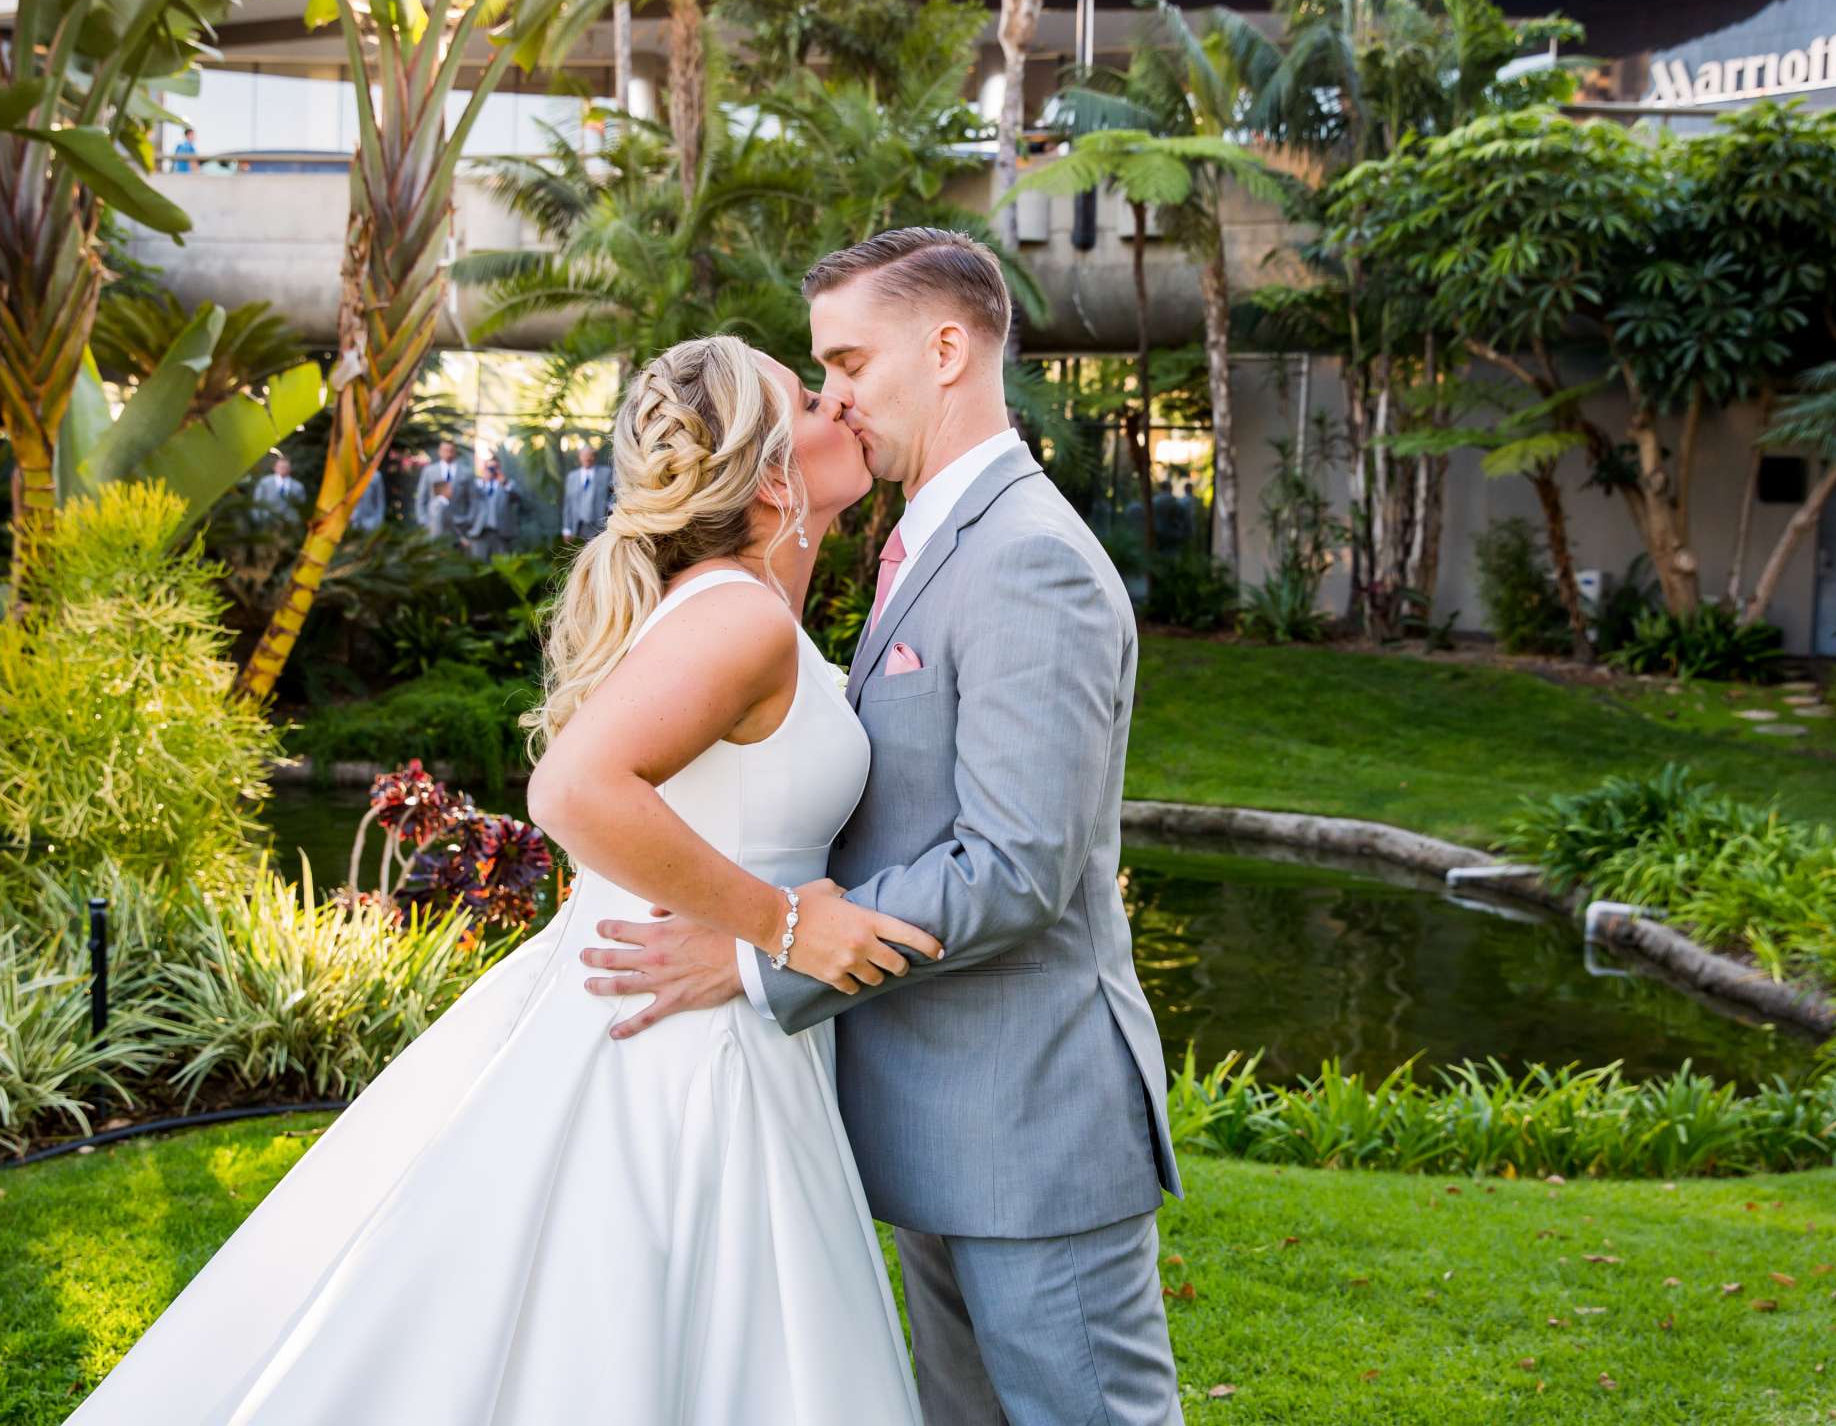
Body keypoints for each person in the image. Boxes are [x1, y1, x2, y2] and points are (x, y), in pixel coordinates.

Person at [63, 334, 939, 1424]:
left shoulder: (747, 611)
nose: (840, 407)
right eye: (810, 399)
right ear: (770, 474)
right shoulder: (739, 616)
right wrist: (782, 923)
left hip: (709, 1017)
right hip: (676, 1049)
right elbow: (572, 790)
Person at [586, 229, 1182, 1424]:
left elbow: (1015, 868)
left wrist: (764, 950)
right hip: (942, 1115)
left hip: (1031, 1126)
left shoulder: (1028, 558)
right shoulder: (924, 546)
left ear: (948, 346)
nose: (836, 398)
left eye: (847, 363)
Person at [461, 455, 525, 560]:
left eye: (495, 468)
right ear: (484, 469)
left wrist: (505, 483)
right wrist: (483, 481)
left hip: (501, 533)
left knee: (502, 567)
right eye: (489, 468)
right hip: (479, 532)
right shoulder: (476, 484)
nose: (492, 471)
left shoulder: (507, 484)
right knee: (479, 565)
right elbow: (466, 501)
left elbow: (518, 498)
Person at [560, 442, 612, 541]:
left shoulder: (606, 473)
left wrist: (609, 506)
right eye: (584, 456)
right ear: (579, 457)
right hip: (580, 525)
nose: (587, 459)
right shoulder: (572, 477)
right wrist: (567, 528)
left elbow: (615, 494)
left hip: (601, 524)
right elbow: (568, 503)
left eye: (590, 456)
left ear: (595, 457)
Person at [415, 439, 466, 534]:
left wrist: (467, 519)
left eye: (451, 451)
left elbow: (473, 499)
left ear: (455, 452)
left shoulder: (465, 473)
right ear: (439, 452)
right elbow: (421, 497)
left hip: (458, 526)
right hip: (434, 524)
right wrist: (423, 520)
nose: (448, 454)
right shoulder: (429, 471)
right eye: (445, 450)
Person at [250, 455, 305, 521]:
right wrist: (257, 518)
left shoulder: (298, 486)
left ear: (290, 469)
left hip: (290, 521)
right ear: (275, 468)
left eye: (286, 467)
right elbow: (257, 501)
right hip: (268, 520)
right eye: (281, 467)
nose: (283, 469)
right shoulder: (264, 482)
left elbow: (302, 504)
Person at [349, 455, 387, 533]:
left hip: (370, 523)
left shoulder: (376, 476)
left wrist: (378, 522)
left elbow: (380, 502)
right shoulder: (352, 475)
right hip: (353, 522)